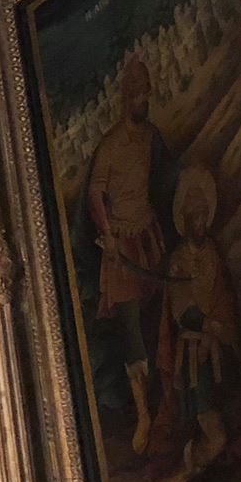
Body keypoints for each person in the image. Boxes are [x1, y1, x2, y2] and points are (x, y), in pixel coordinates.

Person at [86, 57, 171, 453]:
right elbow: (95, 194)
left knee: (158, 316)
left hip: (149, 234)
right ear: (126, 99)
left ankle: (167, 398)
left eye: (146, 94)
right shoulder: (110, 145)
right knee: (132, 326)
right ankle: (142, 414)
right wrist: (108, 234)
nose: (143, 101)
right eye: (137, 95)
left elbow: (165, 178)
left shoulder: (152, 137)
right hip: (121, 243)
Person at [153, 163, 239, 482]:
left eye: (205, 215)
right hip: (195, 358)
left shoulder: (212, 254)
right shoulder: (178, 261)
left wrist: (220, 326)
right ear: (185, 221)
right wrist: (208, 325)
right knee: (215, 435)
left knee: (228, 426)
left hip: (218, 351)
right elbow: (181, 309)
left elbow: (224, 297)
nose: (201, 223)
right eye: (195, 217)